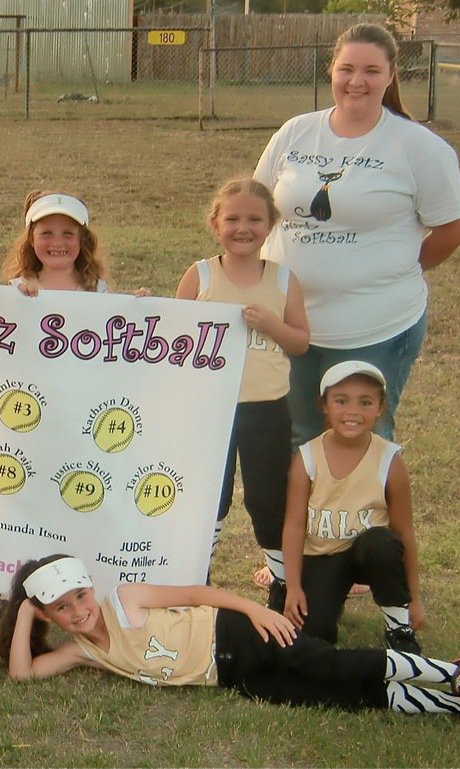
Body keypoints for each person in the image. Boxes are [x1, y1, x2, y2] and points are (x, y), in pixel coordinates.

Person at [254, 23, 460, 450]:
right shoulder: (295, 133)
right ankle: (310, 521)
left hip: (375, 328)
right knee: (302, 439)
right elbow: (257, 210)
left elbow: (453, 229)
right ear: (330, 72)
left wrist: (395, 267)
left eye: (371, 70)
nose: (357, 81)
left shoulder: (417, 147)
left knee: (359, 442)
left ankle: (364, 521)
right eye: (346, 69)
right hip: (291, 325)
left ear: (391, 76)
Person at [0, 555, 460, 723]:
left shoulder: (125, 597)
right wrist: (26, 612)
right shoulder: (82, 651)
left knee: (333, 664)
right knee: (333, 697)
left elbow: (198, 591)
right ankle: (456, 707)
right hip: (230, 676)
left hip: (239, 633)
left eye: (79, 596)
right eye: (61, 609)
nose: (78, 611)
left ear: (89, 587)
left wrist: (253, 610)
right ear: (49, 617)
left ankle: (457, 674)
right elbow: (23, 674)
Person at [175, 178, 309, 604]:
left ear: (271, 225)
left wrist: (273, 326)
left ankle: (282, 580)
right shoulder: (200, 276)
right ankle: (198, 575)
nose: (243, 228)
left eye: (255, 218)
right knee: (209, 495)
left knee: (267, 497)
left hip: (267, 409)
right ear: (216, 224)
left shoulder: (284, 280)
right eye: (232, 219)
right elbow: (173, 340)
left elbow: (301, 342)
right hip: (210, 408)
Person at [279, 361, 423, 653]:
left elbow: (404, 532)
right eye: (341, 401)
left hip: (367, 554)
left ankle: (398, 629)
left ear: (381, 407)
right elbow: (294, 525)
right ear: (325, 405)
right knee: (312, 635)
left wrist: (415, 600)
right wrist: (292, 586)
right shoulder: (307, 458)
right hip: (322, 557)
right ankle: (327, 603)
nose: (353, 412)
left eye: (366, 402)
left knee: (381, 543)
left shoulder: (390, 461)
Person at [1, 190, 149, 297]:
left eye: (68, 234)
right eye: (47, 233)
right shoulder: (18, 289)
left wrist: (140, 308)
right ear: (31, 239)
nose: (57, 243)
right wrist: (15, 301)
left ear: (82, 239)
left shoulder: (98, 292)